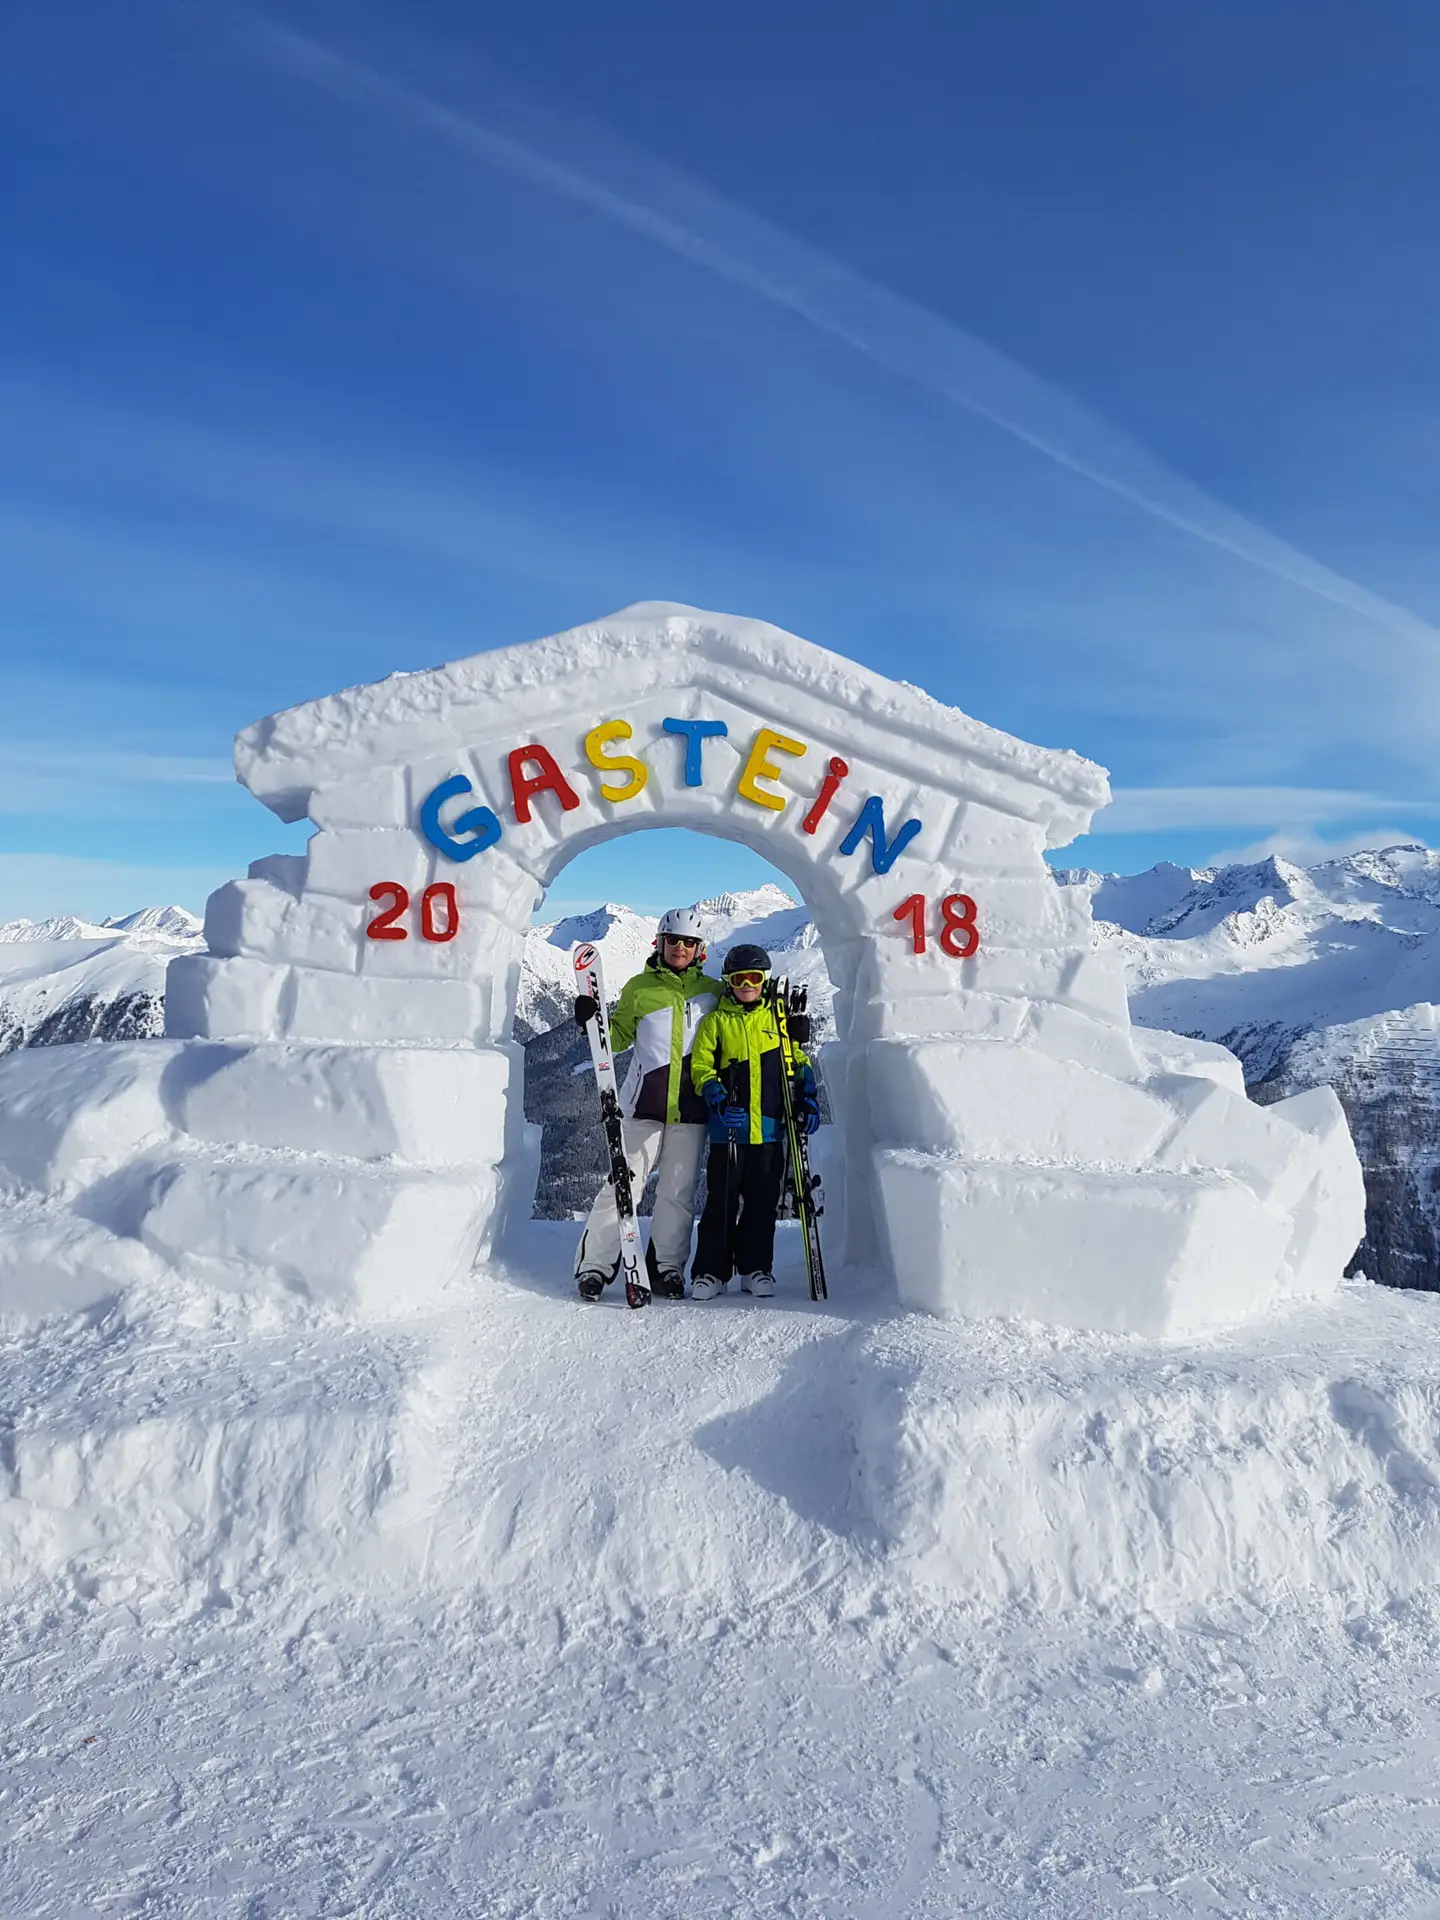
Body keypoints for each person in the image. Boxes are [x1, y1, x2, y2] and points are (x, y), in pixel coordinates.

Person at [573, 906, 721, 1302]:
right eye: (673, 940)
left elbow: (738, 1028)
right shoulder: (639, 987)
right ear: (660, 942)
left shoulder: (713, 991)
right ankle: (595, 1267)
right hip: (643, 1106)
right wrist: (593, 1021)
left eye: (689, 942)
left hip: (691, 1109)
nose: (680, 948)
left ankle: (666, 1268)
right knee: (622, 1184)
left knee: (678, 1191)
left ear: (699, 949)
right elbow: (618, 1036)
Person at [687, 944, 820, 1301]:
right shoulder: (716, 1021)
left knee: (762, 1203)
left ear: (765, 980)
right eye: (739, 978)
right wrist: (715, 1094)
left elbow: (798, 1062)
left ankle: (755, 1268)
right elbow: (700, 1067)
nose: (747, 985)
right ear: (728, 982)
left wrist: (807, 1097)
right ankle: (711, 1272)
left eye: (754, 978)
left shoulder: (778, 1021)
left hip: (772, 1130)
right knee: (722, 1203)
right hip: (727, 1131)